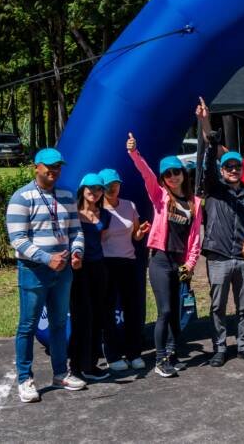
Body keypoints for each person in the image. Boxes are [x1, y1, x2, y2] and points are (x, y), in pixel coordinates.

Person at [7, 148, 86, 403]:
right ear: (36, 167)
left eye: (58, 167)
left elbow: (76, 231)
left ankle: (61, 373)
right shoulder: (21, 197)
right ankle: (24, 379)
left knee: (60, 323)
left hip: (62, 271)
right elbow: (17, 239)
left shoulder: (66, 196)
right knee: (27, 326)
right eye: (48, 167)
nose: (53, 171)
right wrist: (46, 258)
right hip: (34, 271)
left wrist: (76, 252)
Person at [127, 132, 203, 378]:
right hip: (160, 260)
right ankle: (160, 360)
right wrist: (134, 152)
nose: (172, 177)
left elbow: (195, 238)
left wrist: (190, 264)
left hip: (180, 262)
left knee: (177, 313)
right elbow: (146, 174)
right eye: (167, 174)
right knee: (166, 311)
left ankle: (172, 354)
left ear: (183, 173)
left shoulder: (195, 203)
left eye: (176, 172)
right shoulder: (160, 196)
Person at [199, 127, 244, 368]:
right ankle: (219, 347)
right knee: (217, 305)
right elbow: (206, 170)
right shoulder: (214, 189)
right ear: (222, 170)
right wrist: (210, 144)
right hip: (218, 256)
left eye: (237, 166)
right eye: (229, 167)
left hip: (243, 257)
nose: (234, 170)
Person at [98, 168, 149, 372]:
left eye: (116, 184)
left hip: (129, 262)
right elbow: (97, 239)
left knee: (133, 309)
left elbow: (135, 235)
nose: (113, 188)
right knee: (108, 310)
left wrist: (141, 232)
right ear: (101, 188)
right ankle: (112, 355)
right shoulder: (97, 209)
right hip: (106, 264)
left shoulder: (129, 205)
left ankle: (134, 353)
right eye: (109, 185)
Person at [68, 173, 112, 381]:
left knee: (97, 317)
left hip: (98, 268)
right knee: (80, 317)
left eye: (99, 189)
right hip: (78, 270)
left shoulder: (105, 215)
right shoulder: (72, 214)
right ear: (82, 190)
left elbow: (101, 240)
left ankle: (91, 365)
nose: (94, 192)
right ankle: (75, 366)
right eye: (90, 188)